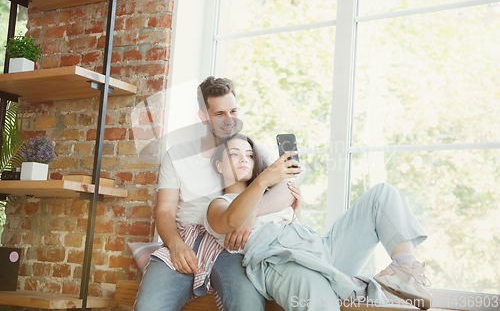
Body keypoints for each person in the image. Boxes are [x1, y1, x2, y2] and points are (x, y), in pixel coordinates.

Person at [204, 134, 433, 311]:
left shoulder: (269, 194)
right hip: (281, 262)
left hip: (321, 248)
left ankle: (404, 270)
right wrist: (263, 180)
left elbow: (287, 190)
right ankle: (341, 285)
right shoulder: (218, 204)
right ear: (219, 166)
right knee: (319, 298)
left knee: (382, 194)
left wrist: (284, 212)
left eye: (250, 154)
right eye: (234, 154)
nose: (245, 158)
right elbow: (232, 219)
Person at [134, 77, 297, 311]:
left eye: (233, 110)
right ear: (204, 117)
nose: (229, 120)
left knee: (247, 305)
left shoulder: (249, 149)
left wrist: (248, 215)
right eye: (220, 114)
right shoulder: (178, 154)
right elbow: (164, 211)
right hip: (187, 240)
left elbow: (288, 188)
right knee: (148, 307)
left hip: (232, 244)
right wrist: (175, 244)